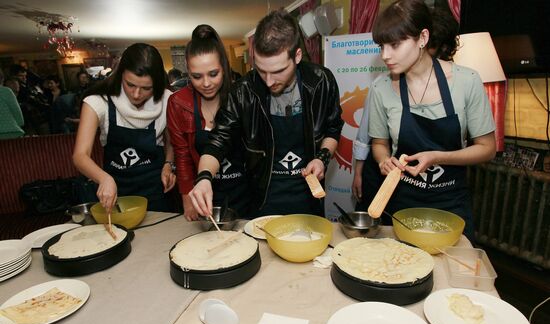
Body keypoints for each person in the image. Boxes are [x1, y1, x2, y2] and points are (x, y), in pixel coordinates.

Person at [355, 0, 496, 241]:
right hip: (402, 201)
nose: (385, 55)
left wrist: (438, 157)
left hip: (450, 203)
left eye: (395, 45)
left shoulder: (467, 82)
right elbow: (379, 143)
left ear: (422, 38)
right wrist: (383, 161)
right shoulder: (381, 88)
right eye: (381, 46)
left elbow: (487, 148)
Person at [189, 9, 344, 218]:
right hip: (262, 198)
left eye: (278, 71)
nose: (269, 81)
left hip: (309, 196)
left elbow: (332, 129)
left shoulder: (321, 82)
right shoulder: (243, 91)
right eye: (261, 70)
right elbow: (219, 140)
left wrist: (321, 158)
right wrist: (204, 178)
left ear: (297, 55)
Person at [73, 43, 176, 213]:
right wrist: (104, 179)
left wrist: (168, 164)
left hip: (154, 188)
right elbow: (79, 155)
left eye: (146, 88)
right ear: (121, 75)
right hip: (115, 187)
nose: (136, 94)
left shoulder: (168, 100)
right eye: (130, 85)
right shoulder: (98, 102)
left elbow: (171, 141)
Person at [167, 25, 250, 220]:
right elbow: (182, 154)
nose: (206, 83)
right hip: (204, 191)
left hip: (246, 190)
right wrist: (187, 197)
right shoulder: (178, 103)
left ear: (225, 66)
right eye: (197, 76)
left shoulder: (241, 96)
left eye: (213, 74)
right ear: (188, 71)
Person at [0, 70, 25, 139]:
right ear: (2, 79)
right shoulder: (6, 91)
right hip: (11, 132)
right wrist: (19, 124)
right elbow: (16, 111)